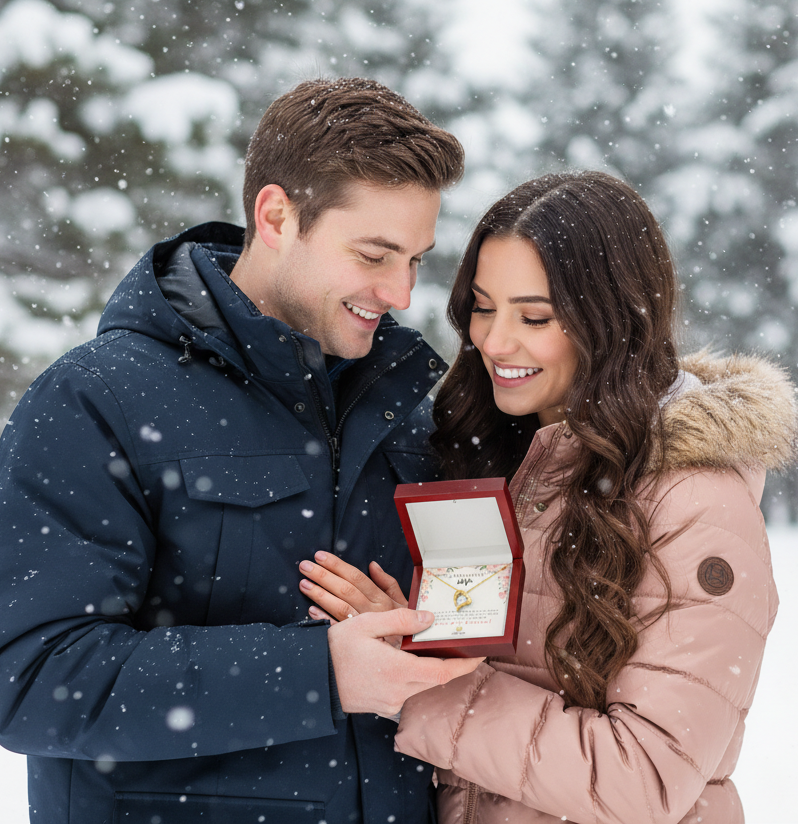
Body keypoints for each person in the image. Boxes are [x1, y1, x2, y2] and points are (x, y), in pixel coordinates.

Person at [0, 77, 484, 824]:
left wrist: (425, 631)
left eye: (417, 258)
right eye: (375, 254)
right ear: (276, 215)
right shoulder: (98, 400)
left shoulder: (408, 418)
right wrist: (315, 674)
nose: (400, 292)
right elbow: (30, 677)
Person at [297, 171, 798, 824]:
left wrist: (418, 688)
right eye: (483, 306)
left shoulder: (696, 507)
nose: (495, 341)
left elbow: (642, 781)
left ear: (613, 320)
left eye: (534, 316)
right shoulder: (500, 462)